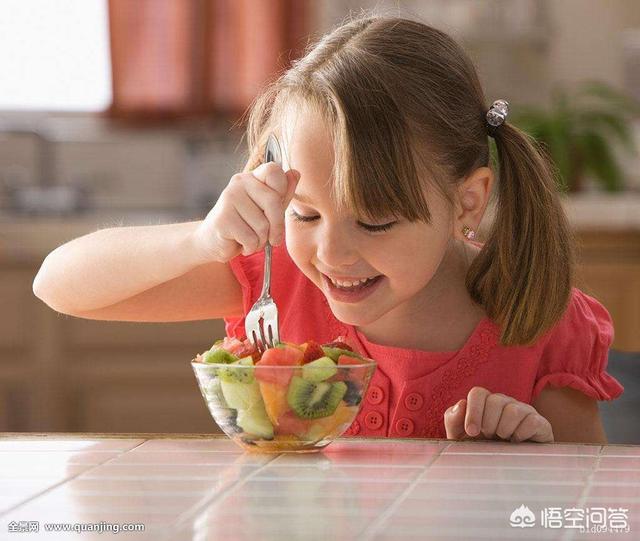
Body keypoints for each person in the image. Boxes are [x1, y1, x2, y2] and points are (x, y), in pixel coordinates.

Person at [33, 13, 623, 444]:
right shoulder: (278, 280)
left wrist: (528, 464)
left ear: (468, 201)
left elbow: (585, 511)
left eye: (375, 221)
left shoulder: (541, 321)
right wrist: (197, 241)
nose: (332, 253)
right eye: (305, 213)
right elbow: (57, 285)